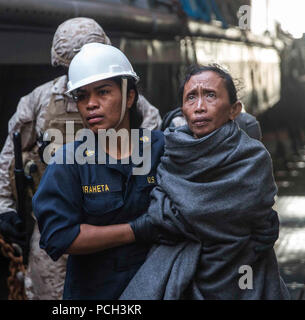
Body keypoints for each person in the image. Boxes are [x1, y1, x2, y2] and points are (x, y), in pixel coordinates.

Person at [0, 18, 162, 300]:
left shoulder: (135, 104)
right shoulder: (40, 100)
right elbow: (14, 151)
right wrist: (2, 206)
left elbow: (152, 155)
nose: (91, 103)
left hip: (116, 226)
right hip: (55, 222)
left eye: (103, 91)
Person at [121, 64, 290, 300]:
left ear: (234, 110)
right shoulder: (169, 152)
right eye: (191, 98)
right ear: (182, 109)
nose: (199, 107)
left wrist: (183, 215)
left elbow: (169, 213)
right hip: (185, 272)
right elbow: (162, 210)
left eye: (210, 95)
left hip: (241, 268)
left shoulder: (253, 158)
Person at [32, 43, 165, 299]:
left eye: (103, 92)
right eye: (82, 96)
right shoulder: (68, 161)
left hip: (158, 288)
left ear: (129, 96)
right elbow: (59, 236)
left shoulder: (161, 149)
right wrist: (136, 230)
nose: (91, 104)